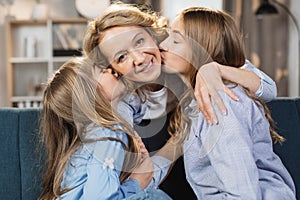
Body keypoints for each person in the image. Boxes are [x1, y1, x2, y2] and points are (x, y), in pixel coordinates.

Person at [82, 3, 279, 198]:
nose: (139, 59)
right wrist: (176, 142)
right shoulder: (124, 105)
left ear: (154, 35)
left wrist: (213, 68)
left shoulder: (184, 64)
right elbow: (133, 179)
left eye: (140, 41)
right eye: (122, 57)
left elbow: (269, 88)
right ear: (114, 70)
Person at [159, 6, 296, 199]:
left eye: (175, 39)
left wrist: (214, 68)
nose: (163, 45)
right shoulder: (195, 100)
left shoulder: (220, 101)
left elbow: (243, 193)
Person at [38, 57, 172, 199]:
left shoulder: (88, 137)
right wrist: (136, 182)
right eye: (102, 71)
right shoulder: (109, 132)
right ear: (91, 93)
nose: (111, 70)